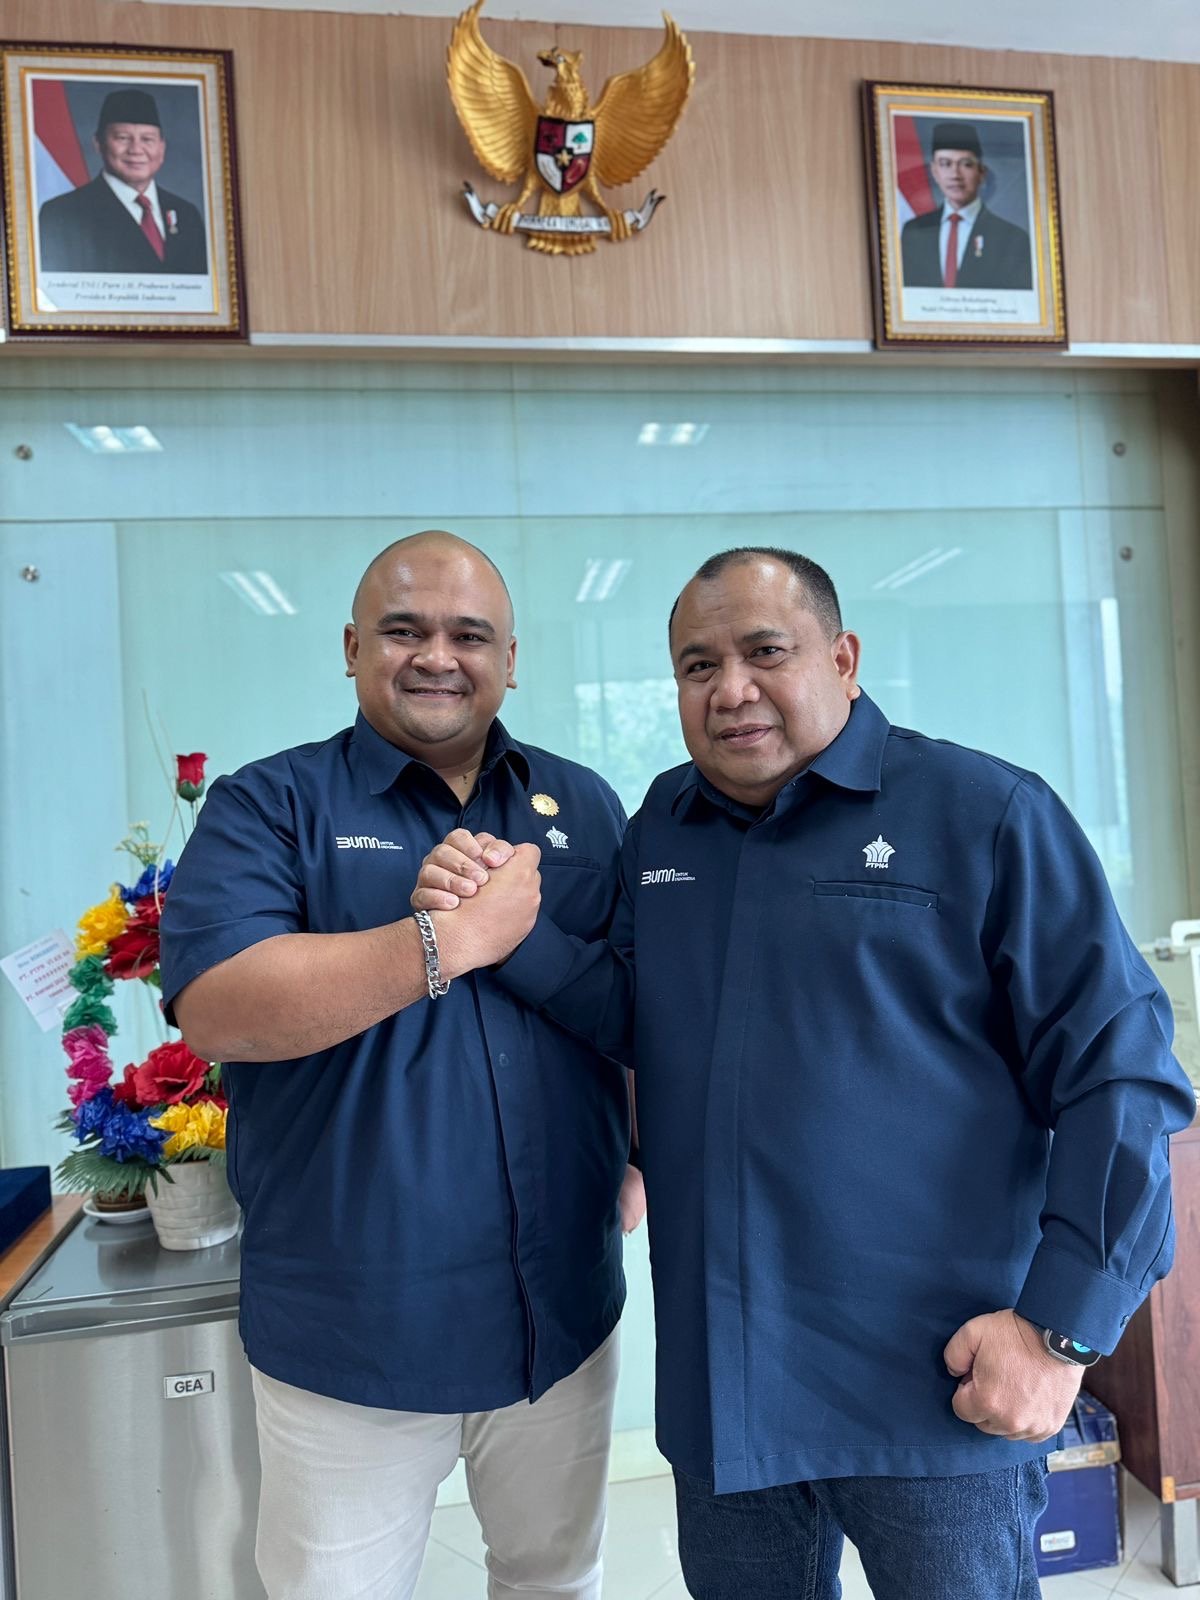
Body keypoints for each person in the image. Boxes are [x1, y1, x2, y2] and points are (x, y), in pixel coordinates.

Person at [413, 546, 1196, 1600]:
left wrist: (1060, 1334)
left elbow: (1123, 1077)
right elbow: (642, 1014)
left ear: (844, 657)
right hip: (726, 1394)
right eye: (698, 666)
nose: (730, 689)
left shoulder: (981, 812)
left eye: (765, 652)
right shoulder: (666, 824)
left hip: (934, 1391)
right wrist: (506, 935)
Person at [160, 531, 643, 1600]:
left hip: (557, 1309)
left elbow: (637, 1004)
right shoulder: (270, 805)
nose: (437, 656)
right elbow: (218, 1006)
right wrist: (446, 942)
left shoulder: (584, 806)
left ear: (510, 659)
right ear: (351, 649)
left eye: (469, 635)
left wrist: (640, 1151)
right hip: (354, 1331)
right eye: (404, 630)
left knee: (555, 1578)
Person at [38, 87, 208, 275]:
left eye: (147, 139)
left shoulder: (187, 215)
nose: (136, 150)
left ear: (162, 147)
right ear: (98, 144)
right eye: (123, 138)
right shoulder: (63, 215)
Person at [901, 120, 1032, 291]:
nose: (955, 175)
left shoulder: (1012, 239)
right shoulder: (913, 232)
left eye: (966, 164)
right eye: (945, 164)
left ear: (982, 172)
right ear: (934, 171)